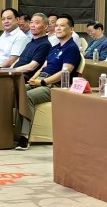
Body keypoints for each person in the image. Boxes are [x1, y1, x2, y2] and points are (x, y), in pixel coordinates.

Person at [17, 14, 82, 150]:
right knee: (17, 91)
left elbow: (64, 73)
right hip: (42, 79)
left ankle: (24, 136)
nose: (58, 28)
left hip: (55, 85)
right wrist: (34, 79)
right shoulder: (55, 47)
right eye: (56, 25)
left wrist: (42, 82)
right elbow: (43, 67)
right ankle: (13, 131)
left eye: (62, 26)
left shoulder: (72, 48)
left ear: (71, 29)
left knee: (27, 96)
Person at [13, 13, 52, 81]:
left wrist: (11, 71)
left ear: (46, 26)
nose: (32, 25)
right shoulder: (30, 43)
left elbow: (31, 67)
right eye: (31, 22)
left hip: (23, 78)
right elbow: (19, 60)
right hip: (14, 74)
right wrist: (9, 70)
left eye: (36, 23)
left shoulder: (45, 45)